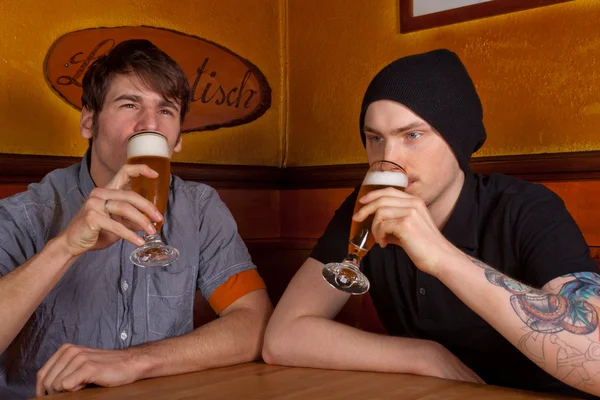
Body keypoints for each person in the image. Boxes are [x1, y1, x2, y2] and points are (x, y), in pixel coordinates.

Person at [263, 48, 600, 399]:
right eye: (375, 138)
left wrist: (440, 256)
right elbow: (282, 337)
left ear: (456, 142)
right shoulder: (368, 206)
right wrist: (425, 355)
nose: (388, 160)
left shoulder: (527, 208)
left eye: (412, 135)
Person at [0, 39, 272, 399]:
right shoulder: (28, 213)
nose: (148, 125)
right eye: (129, 104)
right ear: (88, 120)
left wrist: (134, 362)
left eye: (166, 110)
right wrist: (65, 247)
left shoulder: (200, 210)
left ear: (177, 140)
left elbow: (256, 321)